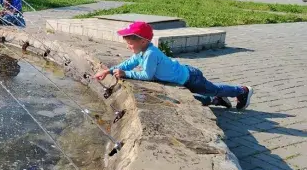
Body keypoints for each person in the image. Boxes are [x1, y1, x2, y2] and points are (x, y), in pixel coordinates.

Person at [94, 21, 253, 110]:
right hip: (183, 79)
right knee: (199, 97)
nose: (128, 46)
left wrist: (126, 74)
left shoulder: (150, 53)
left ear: (142, 41)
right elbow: (129, 63)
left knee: (214, 89)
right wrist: (109, 70)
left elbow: (146, 76)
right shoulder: (141, 51)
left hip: (191, 78)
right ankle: (217, 100)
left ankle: (242, 91)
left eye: (130, 43)